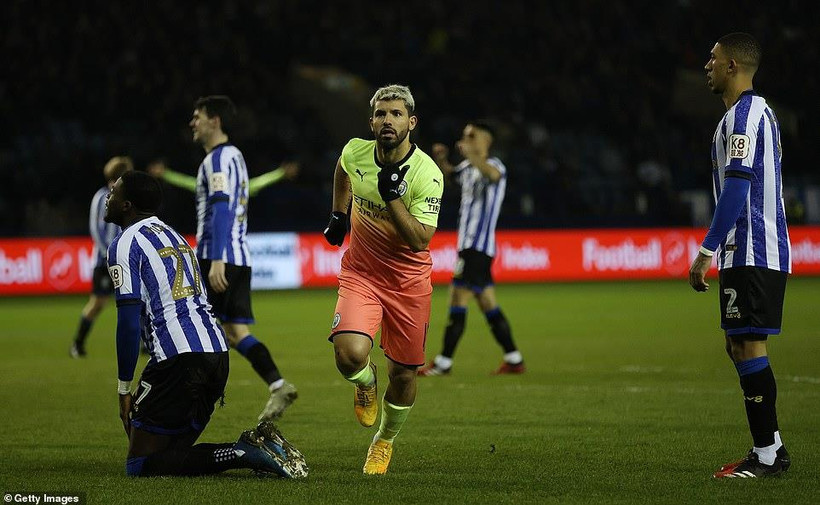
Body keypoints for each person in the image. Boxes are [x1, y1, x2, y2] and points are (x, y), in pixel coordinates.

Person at [104, 170, 307, 478]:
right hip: (217, 354)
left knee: (141, 464)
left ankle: (244, 451)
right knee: (172, 454)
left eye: (114, 192)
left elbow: (128, 322)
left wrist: (123, 389)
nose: (109, 195)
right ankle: (259, 446)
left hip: (179, 360)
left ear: (127, 205)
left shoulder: (124, 243)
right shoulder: (174, 236)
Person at [322, 84, 443, 474]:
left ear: (411, 122)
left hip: (407, 283)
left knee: (405, 375)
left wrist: (393, 197)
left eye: (395, 114)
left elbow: (421, 240)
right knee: (349, 355)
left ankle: (384, 441)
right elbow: (342, 168)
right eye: (380, 114)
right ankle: (364, 381)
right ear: (371, 121)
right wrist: (339, 215)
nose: (386, 120)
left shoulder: (427, 174)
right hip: (363, 273)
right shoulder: (356, 151)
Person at [689, 33, 791, 479]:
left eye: (712, 59)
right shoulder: (741, 116)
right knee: (738, 345)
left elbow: (737, 187)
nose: (706, 66)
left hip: (752, 248)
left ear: (733, 65)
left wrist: (705, 251)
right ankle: (772, 447)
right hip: (744, 251)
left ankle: (767, 456)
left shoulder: (746, 116)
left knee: (748, 343)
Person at [190, 95, 297, 421]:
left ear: (215, 121)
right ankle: (278, 385)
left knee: (197, 328)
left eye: (198, 116)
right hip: (238, 254)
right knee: (235, 333)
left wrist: (218, 259)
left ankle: (195, 398)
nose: (192, 123)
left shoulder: (219, 160)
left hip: (219, 256)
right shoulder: (234, 157)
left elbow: (222, 209)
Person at [418, 122, 524, 376]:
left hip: (478, 248)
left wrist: (472, 155)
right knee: (487, 303)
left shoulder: (495, 166)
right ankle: (514, 358)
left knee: (458, 298)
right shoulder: (467, 167)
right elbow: (451, 175)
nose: (465, 138)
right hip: (469, 247)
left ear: (485, 140)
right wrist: (442, 159)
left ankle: (444, 362)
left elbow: (492, 176)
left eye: (471, 135)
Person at [70, 156, 134, 358]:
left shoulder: (128, 199)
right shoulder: (102, 197)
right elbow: (95, 229)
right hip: (104, 261)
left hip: (125, 261)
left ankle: (144, 344)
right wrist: (108, 253)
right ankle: (77, 344)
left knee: (138, 301)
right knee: (98, 303)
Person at [147, 158, 300, 197]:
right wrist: (165, 174)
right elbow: (187, 183)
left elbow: (258, 183)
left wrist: (280, 173)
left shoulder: (237, 189)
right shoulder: (210, 189)